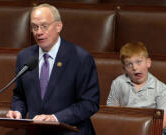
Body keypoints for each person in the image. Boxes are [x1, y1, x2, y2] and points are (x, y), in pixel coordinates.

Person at [6, 3, 100, 135]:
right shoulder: (25, 57)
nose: (39, 32)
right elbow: (20, 96)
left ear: (58, 26)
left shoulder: (80, 58)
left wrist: (55, 118)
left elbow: (90, 103)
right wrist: (18, 111)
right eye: (35, 27)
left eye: (44, 26)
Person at [107, 42, 166, 135]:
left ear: (148, 63)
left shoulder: (160, 87)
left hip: (154, 129)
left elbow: (165, 118)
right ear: (124, 69)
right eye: (129, 64)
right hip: (126, 127)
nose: (135, 68)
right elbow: (112, 111)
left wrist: (145, 131)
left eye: (138, 62)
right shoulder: (118, 83)